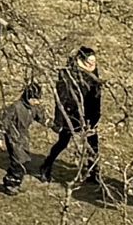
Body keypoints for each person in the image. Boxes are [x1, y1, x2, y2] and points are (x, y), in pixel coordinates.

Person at [44, 45, 106, 190]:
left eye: (94, 63)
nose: (92, 66)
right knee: (63, 143)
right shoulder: (68, 75)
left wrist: (96, 115)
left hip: (90, 114)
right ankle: (47, 166)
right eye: (89, 63)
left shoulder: (93, 73)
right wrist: (59, 120)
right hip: (71, 114)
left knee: (93, 145)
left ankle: (93, 172)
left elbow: (97, 95)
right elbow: (61, 99)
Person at [0, 77, 46, 193]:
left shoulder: (34, 108)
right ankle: (10, 184)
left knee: (25, 160)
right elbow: (4, 121)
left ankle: (15, 182)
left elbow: (42, 118)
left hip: (24, 137)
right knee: (18, 160)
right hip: (13, 136)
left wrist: (54, 125)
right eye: (35, 99)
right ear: (29, 97)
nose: (37, 102)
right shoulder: (15, 107)